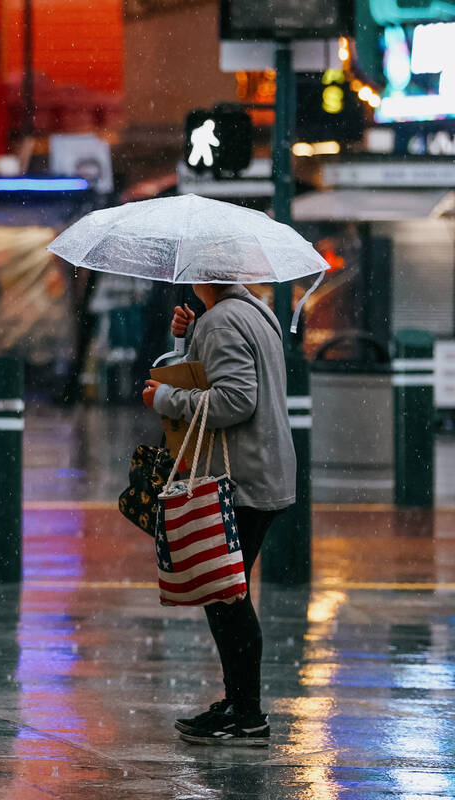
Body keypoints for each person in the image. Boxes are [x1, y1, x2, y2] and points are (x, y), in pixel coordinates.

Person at [141, 283, 296, 747]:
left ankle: (246, 714)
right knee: (227, 591)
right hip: (263, 471)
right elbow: (224, 377)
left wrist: (164, 400)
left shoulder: (223, 319)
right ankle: (237, 705)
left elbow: (234, 399)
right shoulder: (254, 312)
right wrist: (188, 341)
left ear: (202, 276)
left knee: (226, 595)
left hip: (243, 480)